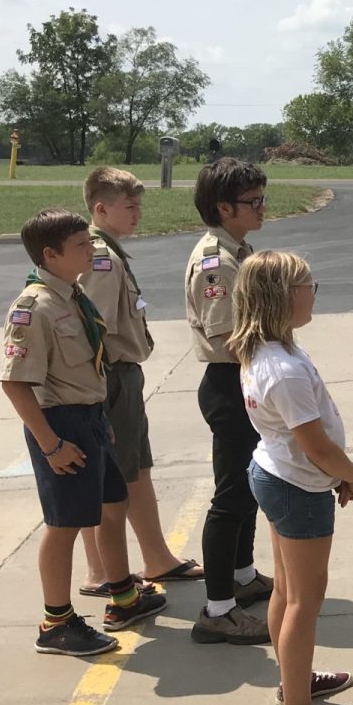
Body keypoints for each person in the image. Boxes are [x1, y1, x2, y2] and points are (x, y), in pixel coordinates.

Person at [0, 208, 167, 656]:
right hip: (60, 425)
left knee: (114, 505)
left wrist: (101, 423)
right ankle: (57, 622)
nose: (91, 249)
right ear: (51, 255)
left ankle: (123, 596)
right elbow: (15, 383)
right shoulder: (33, 308)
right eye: (81, 245)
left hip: (91, 418)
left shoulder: (71, 295)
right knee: (65, 524)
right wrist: (50, 444)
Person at [231, 250, 353, 705]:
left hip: (277, 474)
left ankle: (293, 681)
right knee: (304, 602)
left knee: (287, 593)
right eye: (310, 284)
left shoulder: (271, 351)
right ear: (283, 297)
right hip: (298, 486)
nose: (314, 292)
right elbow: (315, 445)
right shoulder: (282, 369)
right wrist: (350, 474)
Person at [76, 167, 203, 596]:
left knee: (134, 471)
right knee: (116, 476)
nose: (138, 213)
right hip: (110, 377)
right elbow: (89, 332)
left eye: (138, 205)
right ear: (100, 208)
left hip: (120, 375)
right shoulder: (101, 259)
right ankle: (101, 571)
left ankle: (155, 557)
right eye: (129, 206)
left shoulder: (106, 252)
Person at [185, 159, 273, 645]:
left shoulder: (238, 249)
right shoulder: (217, 262)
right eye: (253, 202)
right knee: (231, 497)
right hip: (230, 382)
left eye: (262, 198)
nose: (262, 208)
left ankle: (242, 576)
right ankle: (217, 610)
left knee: (249, 489)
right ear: (224, 207)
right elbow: (227, 335)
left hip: (242, 380)